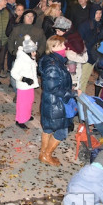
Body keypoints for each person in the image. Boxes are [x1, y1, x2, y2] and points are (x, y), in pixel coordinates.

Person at [38, 36, 77, 166]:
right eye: (61, 45)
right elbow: (52, 87)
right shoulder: (53, 65)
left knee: (48, 127)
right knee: (61, 131)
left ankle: (43, 154)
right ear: (52, 47)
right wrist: (72, 92)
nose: (64, 47)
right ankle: (47, 155)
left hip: (51, 102)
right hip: (56, 104)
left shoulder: (55, 60)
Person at [10, 35, 39, 129]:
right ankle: (20, 120)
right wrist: (24, 79)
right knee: (22, 103)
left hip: (30, 85)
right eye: (33, 51)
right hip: (23, 86)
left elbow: (33, 67)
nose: (35, 53)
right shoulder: (21, 60)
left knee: (29, 101)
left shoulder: (29, 58)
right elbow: (13, 72)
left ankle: (26, 115)